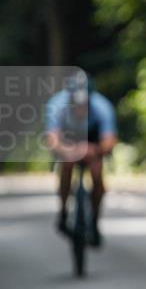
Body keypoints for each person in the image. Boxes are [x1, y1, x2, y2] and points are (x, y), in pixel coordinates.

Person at [44, 72, 118, 246]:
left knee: (97, 173)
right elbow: (52, 139)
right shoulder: (57, 105)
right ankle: (63, 211)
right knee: (66, 165)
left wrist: (95, 149)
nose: (79, 108)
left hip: (92, 142)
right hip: (68, 141)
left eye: (83, 104)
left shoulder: (102, 106)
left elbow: (109, 139)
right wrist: (69, 149)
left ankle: (94, 219)